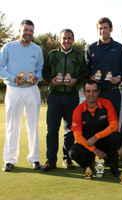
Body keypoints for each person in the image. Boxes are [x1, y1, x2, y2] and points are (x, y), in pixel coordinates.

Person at [41, 29, 88, 172]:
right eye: (64, 38)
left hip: (72, 97)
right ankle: (51, 160)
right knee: (52, 129)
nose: (66, 41)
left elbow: (85, 74)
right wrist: (51, 80)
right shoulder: (52, 54)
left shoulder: (79, 56)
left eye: (69, 38)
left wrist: (76, 80)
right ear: (59, 40)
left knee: (70, 130)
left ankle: (66, 158)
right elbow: (45, 72)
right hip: (55, 96)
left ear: (73, 39)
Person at [0, 20, 43, 172]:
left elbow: (40, 69)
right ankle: (10, 160)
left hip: (32, 89)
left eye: (31, 30)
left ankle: (35, 159)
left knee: (33, 125)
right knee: (12, 125)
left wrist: (36, 77)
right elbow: (0, 67)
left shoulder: (37, 49)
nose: (28, 33)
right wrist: (13, 78)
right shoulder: (8, 47)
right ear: (19, 31)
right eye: (25, 30)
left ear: (33, 32)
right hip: (14, 89)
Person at [69, 80, 122, 177]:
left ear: (98, 92)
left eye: (94, 91)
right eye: (88, 91)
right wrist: (94, 150)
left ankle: (113, 166)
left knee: (116, 136)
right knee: (73, 152)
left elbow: (114, 126)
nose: (91, 94)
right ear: (84, 92)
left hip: (104, 141)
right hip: (88, 143)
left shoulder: (107, 104)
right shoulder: (78, 110)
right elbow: (77, 136)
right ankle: (88, 166)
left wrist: (96, 137)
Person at [86, 17, 122, 118]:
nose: (102, 31)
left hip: (113, 92)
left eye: (105, 28)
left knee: (113, 123)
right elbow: (86, 70)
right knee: (96, 124)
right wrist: (91, 77)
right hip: (96, 92)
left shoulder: (119, 48)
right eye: (100, 28)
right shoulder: (91, 48)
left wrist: (119, 77)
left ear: (111, 29)